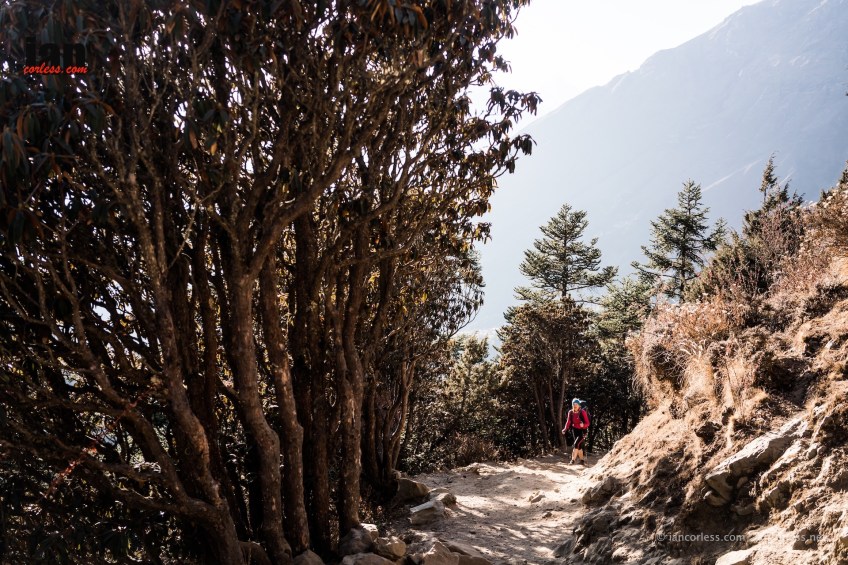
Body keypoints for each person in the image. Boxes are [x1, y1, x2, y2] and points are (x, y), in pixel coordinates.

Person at [561, 398, 590, 465]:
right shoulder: (570, 412)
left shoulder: (582, 412)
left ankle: (572, 460)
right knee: (578, 446)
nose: (575, 405)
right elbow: (568, 422)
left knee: (576, 444)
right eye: (574, 404)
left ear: (579, 405)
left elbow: (588, 423)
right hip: (575, 430)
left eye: (576, 404)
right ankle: (582, 460)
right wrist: (565, 429)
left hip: (582, 431)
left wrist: (583, 425)